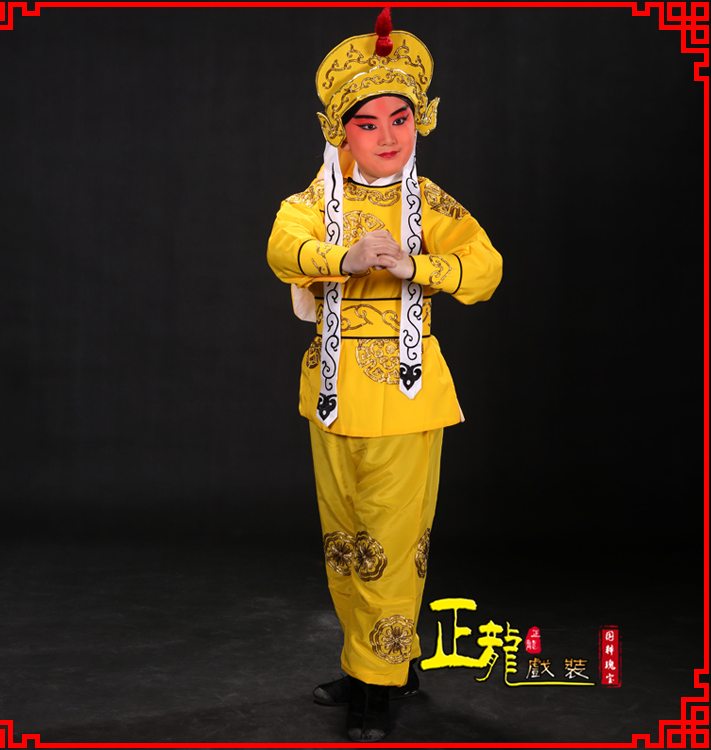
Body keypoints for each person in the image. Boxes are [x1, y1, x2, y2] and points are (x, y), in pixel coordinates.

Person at [267, 8, 503, 743]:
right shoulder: (314, 203)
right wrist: (343, 258)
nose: (389, 136)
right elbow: (281, 247)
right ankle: (379, 662)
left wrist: (417, 266)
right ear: (340, 132)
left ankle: (376, 686)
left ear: (419, 122)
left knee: (392, 545)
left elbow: (486, 268)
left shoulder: (429, 204)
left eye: (401, 119)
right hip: (333, 393)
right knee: (346, 542)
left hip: (407, 397)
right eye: (368, 123)